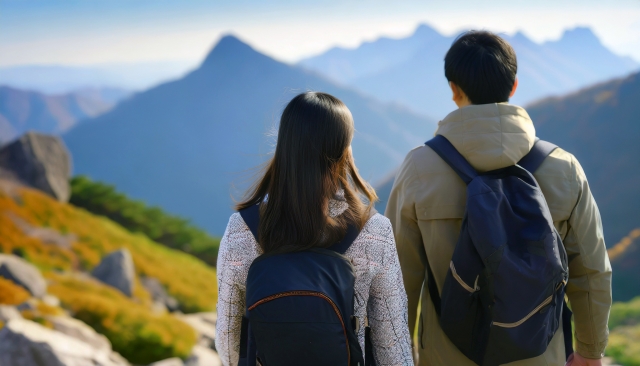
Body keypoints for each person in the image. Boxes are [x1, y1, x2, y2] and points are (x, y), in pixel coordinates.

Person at [385, 31, 612, 366]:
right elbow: (591, 271)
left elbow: (396, 279)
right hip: (541, 355)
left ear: (453, 89)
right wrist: (590, 352)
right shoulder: (564, 168)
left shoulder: (420, 168)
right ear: (514, 86)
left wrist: (398, 357)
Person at [215, 92, 414, 366]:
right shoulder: (374, 231)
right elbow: (393, 346)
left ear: (284, 145)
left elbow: (228, 341)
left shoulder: (241, 230)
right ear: (344, 150)